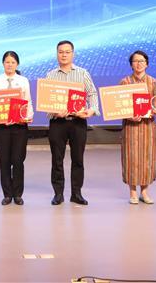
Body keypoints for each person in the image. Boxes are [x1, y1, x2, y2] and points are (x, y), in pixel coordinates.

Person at [45, 40, 99, 206]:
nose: (64, 55)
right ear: (57, 54)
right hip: (58, 123)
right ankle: (58, 194)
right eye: (61, 52)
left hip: (77, 122)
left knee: (78, 159)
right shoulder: (50, 75)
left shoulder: (82, 73)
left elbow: (92, 93)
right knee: (57, 159)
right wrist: (54, 111)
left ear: (73, 54)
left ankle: (76, 193)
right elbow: (46, 100)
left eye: (67, 52)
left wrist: (92, 110)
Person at [0, 51, 34, 206]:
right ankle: (7, 194)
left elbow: (28, 101)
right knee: (4, 161)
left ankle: (18, 194)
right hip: (2, 128)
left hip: (20, 127)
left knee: (18, 160)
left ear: (17, 64)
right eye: (7, 62)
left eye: (13, 62)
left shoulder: (23, 80)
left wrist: (28, 116)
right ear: (3, 63)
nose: (10, 65)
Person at [119, 50, 156, 205]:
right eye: (135, 61)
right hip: (131, 126)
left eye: (142, 61)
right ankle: (132, 192)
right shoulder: (125, 82)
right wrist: (129, 116)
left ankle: (144, 192)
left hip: (147, 126)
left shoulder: (153, 82)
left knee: (147, 157)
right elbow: (120, 105)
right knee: (131, 157)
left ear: (147, 64)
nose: (138, 64)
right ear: (131, 64)